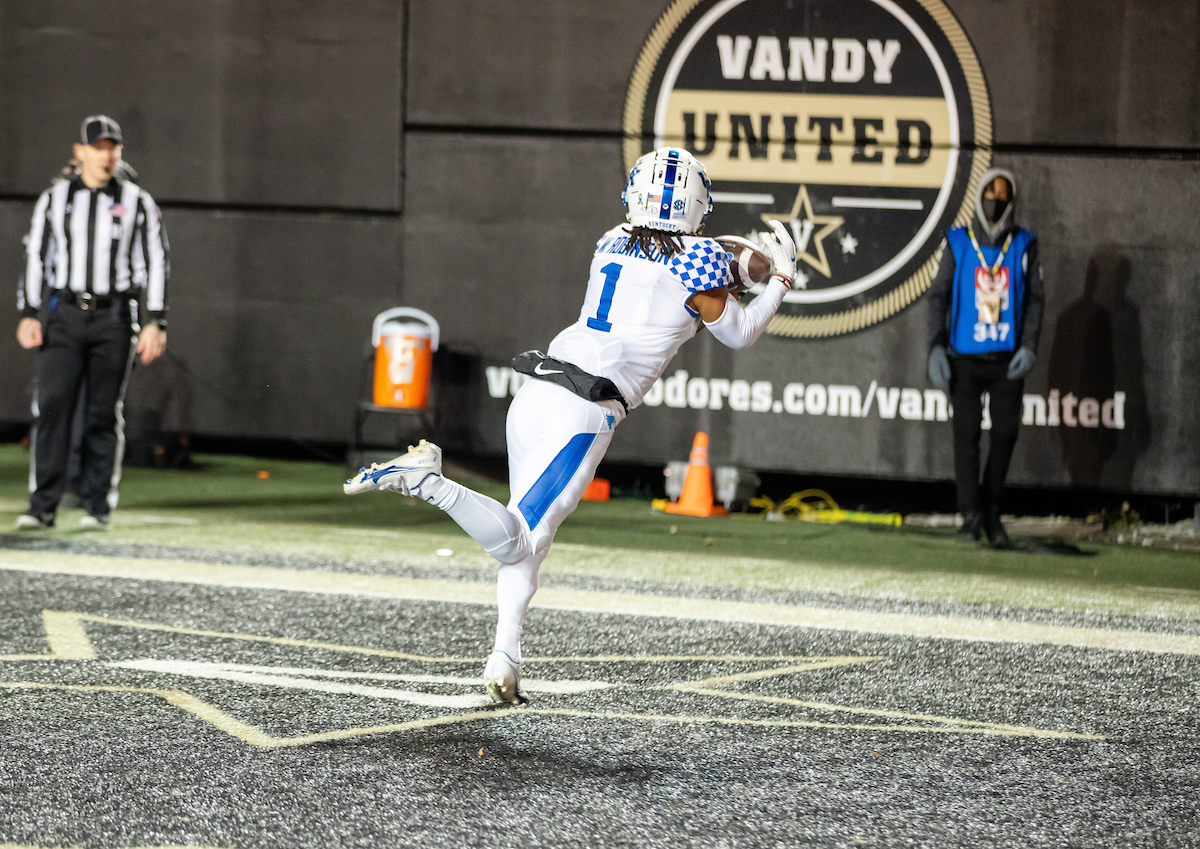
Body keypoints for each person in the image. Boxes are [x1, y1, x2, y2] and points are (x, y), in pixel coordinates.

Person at [345, 147, 797, 704]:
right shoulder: (698, 260)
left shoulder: (611, 239)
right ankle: (429, 481)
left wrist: (741, 263)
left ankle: (504, 655)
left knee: (532, 542)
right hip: (586, 407)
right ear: (697, 205)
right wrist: (779, 279)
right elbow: (739, 329)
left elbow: (690, 256)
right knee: (521, 538)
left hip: (537, 390)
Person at [15, 115, 169, 531]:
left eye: (112, 147)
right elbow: (37, 258)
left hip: (114, 315)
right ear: (80, 151)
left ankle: (97, 504)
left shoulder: (137, 201)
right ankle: (42, 504)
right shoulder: (56, 199)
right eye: (98, 147)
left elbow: (156, 262)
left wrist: (156, 320)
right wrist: (29, 312)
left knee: (103, 412)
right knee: (52, 407)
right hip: (63, 314)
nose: (106, 155)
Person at [927, 167, 1044, 549]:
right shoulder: (959, 241)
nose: (995, 200)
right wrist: (935, 346)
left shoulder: (1025, 243)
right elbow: (938, 295)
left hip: (1007, 360)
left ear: (1012, 200)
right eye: (990, 193)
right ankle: (970, 516)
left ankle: (992, 509)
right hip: (963, 356)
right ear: (978, 197)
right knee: (966, 437)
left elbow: (1036, 299)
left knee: (1006, 433)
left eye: (1003, 195)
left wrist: (1029, 345)